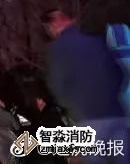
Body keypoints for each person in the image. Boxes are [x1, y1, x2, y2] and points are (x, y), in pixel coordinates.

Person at [41, 9, 129, 163]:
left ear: (54, 25)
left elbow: (58, 88)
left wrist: (74, 107)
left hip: (88, 120)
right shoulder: (95, 40)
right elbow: (118, 73)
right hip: (115, 114)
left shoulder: (58, 50)